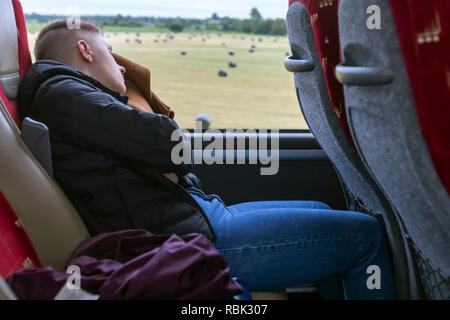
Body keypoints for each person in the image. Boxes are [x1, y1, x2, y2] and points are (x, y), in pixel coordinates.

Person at [18, 19, 396, 300]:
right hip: (190, 238)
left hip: (191, 219)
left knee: (319, 208)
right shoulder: (62, 92)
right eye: (110, 52)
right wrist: (132, 91)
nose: (120, 65)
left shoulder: (67, 95)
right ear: (85, 50)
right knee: (365, 236)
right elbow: (171, 144)